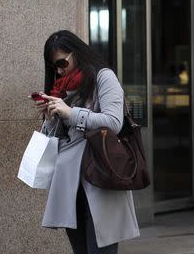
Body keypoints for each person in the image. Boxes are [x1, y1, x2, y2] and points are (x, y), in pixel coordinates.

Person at [30, 30, 140, 254]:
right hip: (69, 182)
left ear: (76, 53)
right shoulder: (62, 88)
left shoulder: (103, 77)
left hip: (101, 177)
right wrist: (51, 117)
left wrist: (71, 113)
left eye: (62, 63)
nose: (59, 71)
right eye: (55, 67)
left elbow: (113, 122)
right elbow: (59, 136)